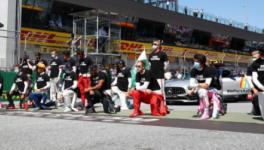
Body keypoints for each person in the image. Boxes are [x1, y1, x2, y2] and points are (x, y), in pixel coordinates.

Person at [189, 53, 219, 119]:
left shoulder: (208, 69)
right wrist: (197, 86)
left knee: (202, 91)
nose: (194, 63)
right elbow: (191, 84)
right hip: (200, 89)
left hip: (211, 89)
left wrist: (197, 86)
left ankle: (206, 112)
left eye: (196, 61)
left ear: (202, 62)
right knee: (202, 91)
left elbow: (207, 85)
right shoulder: (193, 70)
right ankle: (204, 109)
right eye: (194, 61)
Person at [246, 48, 262, 115]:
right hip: (256, 86)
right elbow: (249, 78)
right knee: (256, 100)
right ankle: (256, 111)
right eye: (254, 54)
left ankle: (255, 111)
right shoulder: (251, 65)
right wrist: (252, 88)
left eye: (256, 53)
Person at [251, 48, 264, 116]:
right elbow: (254, 78)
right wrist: (261, 87)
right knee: (259, 109)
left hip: (260, 88)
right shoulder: (255, 63)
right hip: (260, 89)